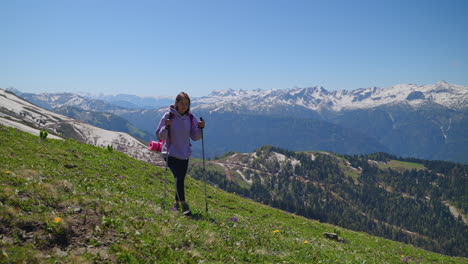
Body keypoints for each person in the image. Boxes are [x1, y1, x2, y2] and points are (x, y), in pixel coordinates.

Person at [155, 92, 205, 216]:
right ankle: (184, 205)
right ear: (176, 103)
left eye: (186, 104)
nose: (184, 106)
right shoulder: (169, 115)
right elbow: (160, 135)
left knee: (180, 179)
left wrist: (200, 128)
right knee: (178, 178)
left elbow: (195, 137)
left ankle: (175, 205)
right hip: (170, 153)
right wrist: (166, 127)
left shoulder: (190, 118)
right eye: (182, 103)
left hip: (184, 153)